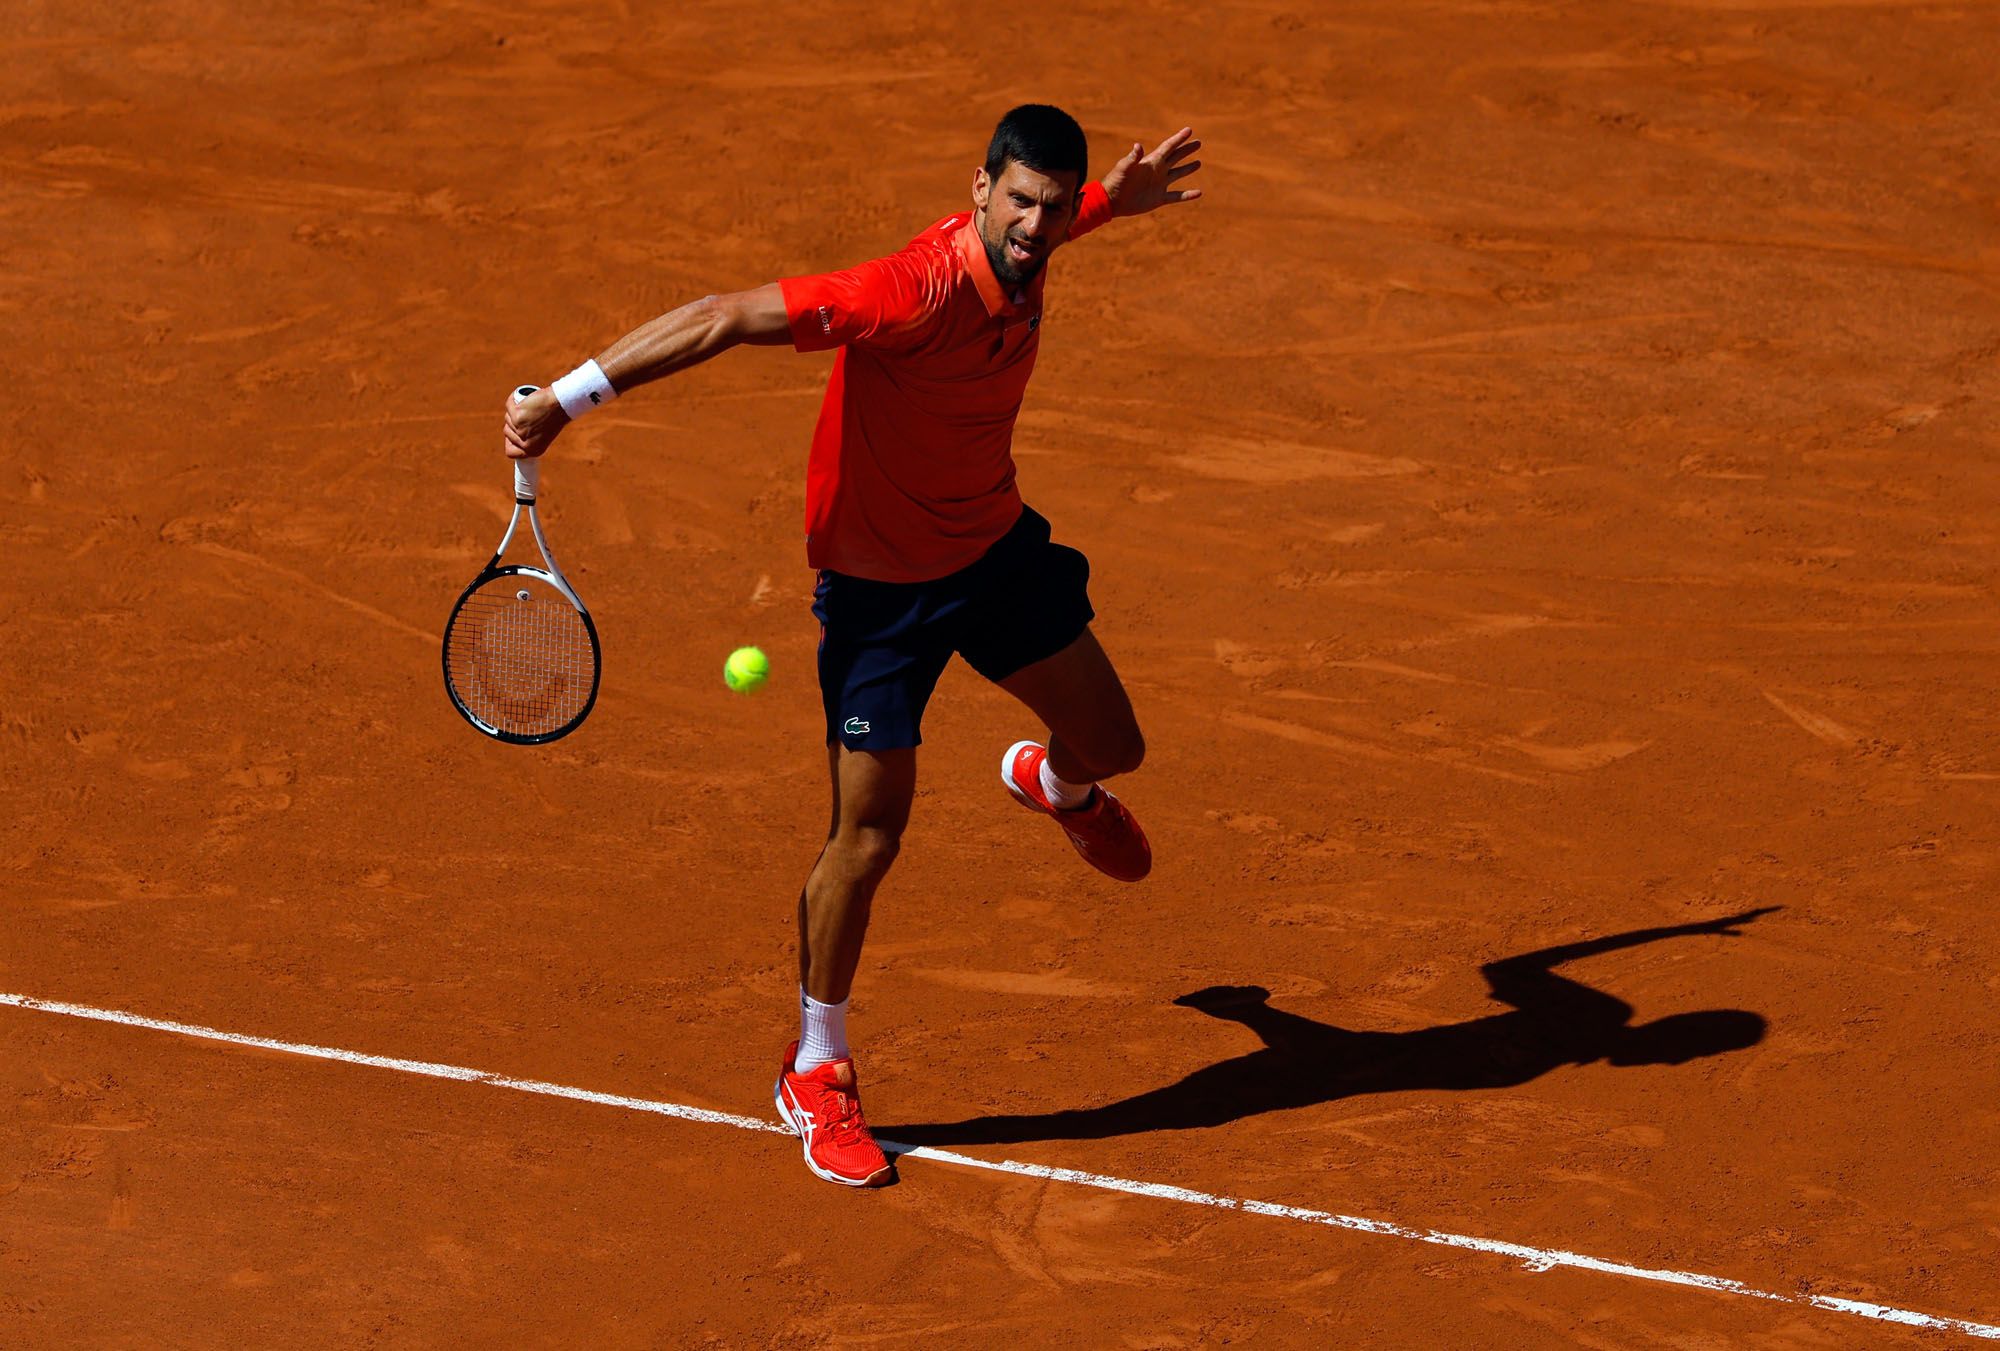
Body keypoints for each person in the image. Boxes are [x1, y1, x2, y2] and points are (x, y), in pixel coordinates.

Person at [504, 105, 1204, 1188]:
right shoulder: (905, 292)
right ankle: (815, 1066)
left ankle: (1054, 786)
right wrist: (564, 398)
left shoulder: (1041, 240)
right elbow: (725, 313)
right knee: (868, 837)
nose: (1036, 224)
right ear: (976, 191)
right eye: (1017, 200)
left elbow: (1063, 221)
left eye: (1054, 207)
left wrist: (1119, 198)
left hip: (990, 551)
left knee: (1114, 743)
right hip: (882, 597)